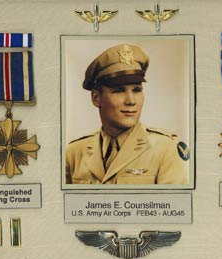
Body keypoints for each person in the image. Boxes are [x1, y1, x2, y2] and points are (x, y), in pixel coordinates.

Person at [66, 44, 189, 184]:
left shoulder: (167, 149)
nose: (131, 101)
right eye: (119, 90)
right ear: (96, 98)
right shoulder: (74, 152)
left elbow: (174, 205)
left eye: (137, 90)